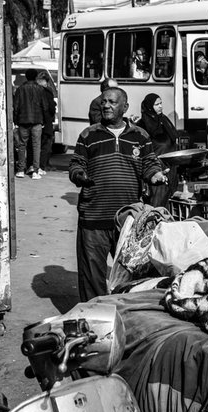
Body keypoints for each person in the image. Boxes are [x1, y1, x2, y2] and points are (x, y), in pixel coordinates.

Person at [69, 87, 167, 301]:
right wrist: (79, 175)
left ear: (125, 107)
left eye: (112, 102)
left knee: (131, 276)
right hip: (93, 218)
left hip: (128, 220)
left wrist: (155, 175)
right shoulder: (88, 135)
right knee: (91, 278)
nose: (106, 105)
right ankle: (94, 315)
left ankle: (125, 313)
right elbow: (76, 164)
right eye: (104, 101)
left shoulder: (140, 136)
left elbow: (149, 164)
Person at [137, 93, 178, 208]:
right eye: (156, 104)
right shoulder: (142, 125)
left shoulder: (164, 121)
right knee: (156, 204)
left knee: (170, 202)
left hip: (171, 168)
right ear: (149, 107)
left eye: (161, 103)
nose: (160, 106)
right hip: (156, 171)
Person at [14, 68, 48, 179]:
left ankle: (20, 170)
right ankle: (35, 171)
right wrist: (44, 120)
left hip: (23, 121)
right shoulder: (40, 89)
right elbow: (45, 106)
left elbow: (16, 106)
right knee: (36, 146)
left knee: (22, 145)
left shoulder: (20, 89)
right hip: (37, 121)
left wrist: (16, 120)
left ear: (26, 77)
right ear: (36, 77)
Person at [36, 71, 56, 172]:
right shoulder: (47, 91)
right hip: (46, 121)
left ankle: (38, 165)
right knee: (46, 144)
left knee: (37, 144)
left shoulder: (35, 90)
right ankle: (42, 165)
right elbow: (51, 107)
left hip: (37, 120)